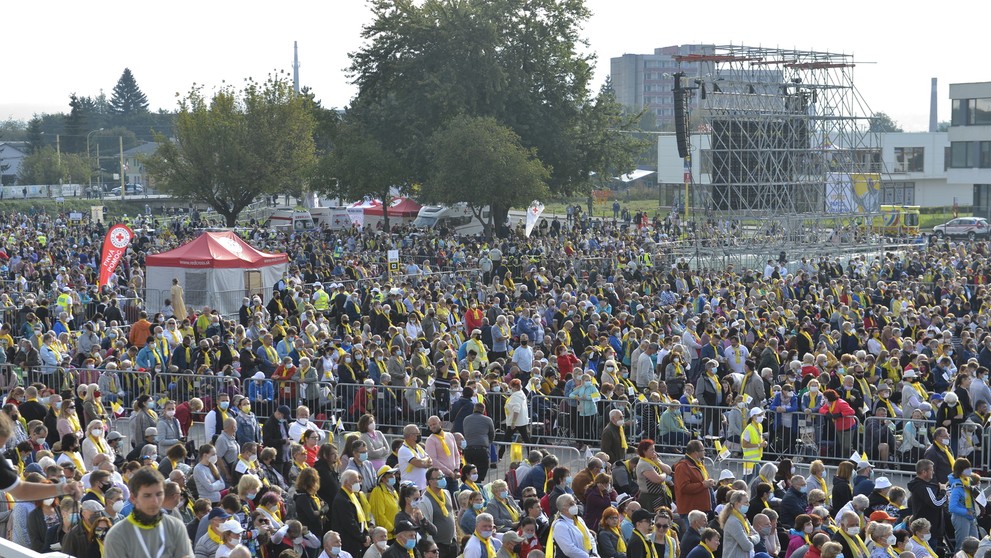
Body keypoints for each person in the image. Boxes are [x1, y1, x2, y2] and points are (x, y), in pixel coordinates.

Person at [102, 466, 195, 558]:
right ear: (133, 498)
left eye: (159, 494)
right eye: (147, 495)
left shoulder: (176, 527)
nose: (154, 501)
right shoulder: (117, 535)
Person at [907, 459, 946, 552]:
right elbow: (936, 503)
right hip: (928, 531)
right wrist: (943, 492)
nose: (933, 472)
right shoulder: (924, 488)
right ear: (924, 472)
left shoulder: (919, 486)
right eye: (931, 470)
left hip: (924, 529)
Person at [332, 469, 371, 558]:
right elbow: (349, 523)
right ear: (346, 482)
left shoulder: (352, 495)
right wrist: (363, 538)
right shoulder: (342, 500)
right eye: (355, 482)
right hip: (348, 543)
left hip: (357, 541)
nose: (358, 484)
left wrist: (366, 534)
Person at [420, 467, 457, 558]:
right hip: (438, 545)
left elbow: (451, 514)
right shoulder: (424, 500)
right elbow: (426, 525)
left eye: (442, 476)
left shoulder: (446, 493)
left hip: (452, 542)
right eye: (439, 478)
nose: (443, 479)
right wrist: (432, 547)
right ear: (430, 481)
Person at [673, 440, 715, 518]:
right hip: (690, 512)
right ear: (696, 453)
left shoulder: (698, 464)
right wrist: (703, 485)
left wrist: (709, 482)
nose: (704, 452)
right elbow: (684, 487)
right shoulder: (683, 466)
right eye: (703, 450)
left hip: (700, 510)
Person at [548, 494, 594, 558]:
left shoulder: (579, 520)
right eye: (571, 504)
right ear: (564, 509)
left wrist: (594, 553)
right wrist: (587, 557)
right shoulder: (560, 526)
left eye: (575, 502)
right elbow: (569, 550)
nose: (575, 505)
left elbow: (590, 537)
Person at [948, 458, 979, 553]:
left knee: (976, 545)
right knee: (961, 547)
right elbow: (952, 507)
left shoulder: (968, 482)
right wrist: (966, 511)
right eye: (967, 468)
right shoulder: (957, 486)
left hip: (971, 517)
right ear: (961, 470)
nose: (970, 470)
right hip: (961, 518)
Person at [462, 403, 495, 482]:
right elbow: (492, 434)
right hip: (481, 449)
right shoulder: (488, 420)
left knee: (469, 474)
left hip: (468, 449)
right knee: (480, 474)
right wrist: (488, 441)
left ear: (474, 409)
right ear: (483, 410)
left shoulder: (466, 419)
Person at [720, 490, 757, 558]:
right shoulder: (733, 521)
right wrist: (752, 539)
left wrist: (750, 538)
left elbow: (757, 535)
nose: (748, 504)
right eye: (746, 502)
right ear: (737, 504)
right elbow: (747, 546)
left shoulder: (743, 517)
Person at [397, 424, 433, 488]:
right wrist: (425, 461)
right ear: (411, 435)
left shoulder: (418, 447)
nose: (420, 435)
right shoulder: (404, 450)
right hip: (409, 488)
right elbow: (417, 463)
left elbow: (430, 460)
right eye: (418, 433)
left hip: (422, 487)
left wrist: (424, 462)